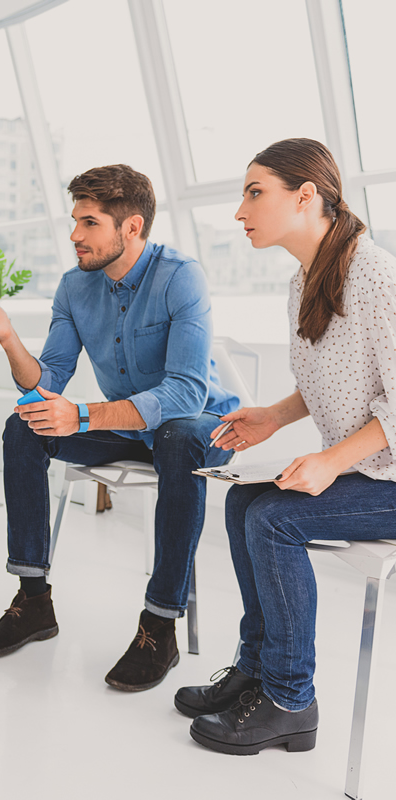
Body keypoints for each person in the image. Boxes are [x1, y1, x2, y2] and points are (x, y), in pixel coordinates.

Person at [0, 164, 238, 690]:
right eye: (74, 221)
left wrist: (81, 415)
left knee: (176, 436)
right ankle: (34, 600)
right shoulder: (75, 287)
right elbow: (46, 383)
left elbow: (186, 394)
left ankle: (160, 623)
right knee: (23, 427)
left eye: (90, 222)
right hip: (128, 425)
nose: (75, 235)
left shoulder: (180, 276)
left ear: (131, 227)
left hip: (203, 429)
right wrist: (8, 337)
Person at [176, 138, 396, 756]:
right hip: (375, 470)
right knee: (242, 502)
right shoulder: (305, 280)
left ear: (305, 197)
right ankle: (256, 670)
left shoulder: (374, 274)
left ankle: (290, 702)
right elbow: (331, 378)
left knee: (274, 519)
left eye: (254, 193)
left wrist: (330, 460)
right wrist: (273, 416)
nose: (240, 212)